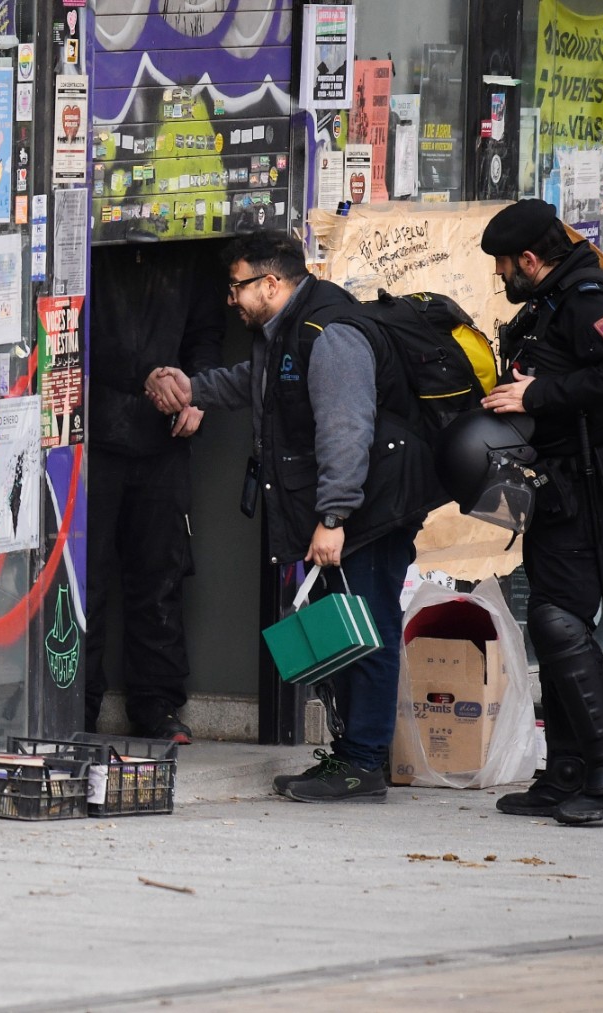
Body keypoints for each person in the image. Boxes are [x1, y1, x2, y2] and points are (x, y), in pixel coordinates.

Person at [145, 229, 442, 803]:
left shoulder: (329, 334)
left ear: (272, 283)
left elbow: (346, 431)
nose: (230, 300)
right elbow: (253, 387)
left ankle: (362, 765)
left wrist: (333, 518)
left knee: (369, 633)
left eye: (237, 287)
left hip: (367, 513)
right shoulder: (283, 330)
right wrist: (191, 389)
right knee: (345, 633)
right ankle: (350, 757)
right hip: (347, 509)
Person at [478, 198, 603, 826]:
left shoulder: (587, 298)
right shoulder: (553, 300)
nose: (501, 277)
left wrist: (540, 393)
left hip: (589, 482)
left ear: (530, 259)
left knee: (558, 620)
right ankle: (568, 770)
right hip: (557, 481)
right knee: (551, 618)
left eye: (504, 265)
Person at [83, 242, 226, 743]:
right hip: (92, 433)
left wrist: (199, 393)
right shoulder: (96, 248)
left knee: (160, 574)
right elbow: (74, 329)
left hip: (165, 436)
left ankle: (157, 704)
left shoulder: (191, 251)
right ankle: (78, 702)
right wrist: (144, 374)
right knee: (87, 577)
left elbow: (207, 334)